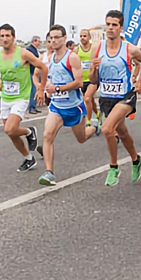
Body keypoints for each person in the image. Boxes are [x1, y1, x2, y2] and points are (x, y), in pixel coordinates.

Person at [86, 10, 141, 186]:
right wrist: (93, 68)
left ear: (121, 28)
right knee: (121, 131)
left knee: (107, 129)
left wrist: (140, 82)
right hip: (107, 97)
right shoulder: (97, 49)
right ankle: (136, 160)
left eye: (114, 25)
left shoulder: (130, 49)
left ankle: (113, 166)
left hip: (125, 96)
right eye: (108, 24)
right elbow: (93, 80)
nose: (110, 28)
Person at [0, 24, 47, 172]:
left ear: (13, 37)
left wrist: (41, 88)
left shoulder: (23, 53)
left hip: (21, 97)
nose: (5, 39)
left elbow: (43, 68)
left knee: (10, 128)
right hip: (6, 97)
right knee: (10, 132)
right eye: (2, 36)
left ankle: (29, 132)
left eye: (8, 36)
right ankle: (29, 158)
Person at [37, 25, 101, 186]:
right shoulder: (50, 58)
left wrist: (58, 88)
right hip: (57, 106)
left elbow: (79, 83)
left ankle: (94, 127)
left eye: (57, 37)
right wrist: (45, 89)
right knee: (47, 135)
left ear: (64, 38)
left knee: (82, 138)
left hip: (74, 107)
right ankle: (49, 172)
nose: (53, 40)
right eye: (51, 38)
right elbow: (48, 77)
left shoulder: (72, 57)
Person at [27, 35, 42, 114]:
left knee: (35, 89)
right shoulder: (30, 50)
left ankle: (34, 106)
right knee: (33, 90)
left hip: (34, 72)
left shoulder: (35, 50)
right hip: (31, 71)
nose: (39, 43)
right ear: (34, 41)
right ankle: (31, 107)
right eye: (38, 41)